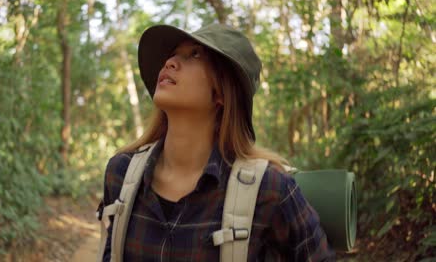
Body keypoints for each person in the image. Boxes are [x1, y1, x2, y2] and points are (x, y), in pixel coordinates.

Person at [98, 23, 335, 261]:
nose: (170, 62)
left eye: (195, 55)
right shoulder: (122, 173)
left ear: (222, 92)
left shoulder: (270, 189)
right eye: (172, 55)